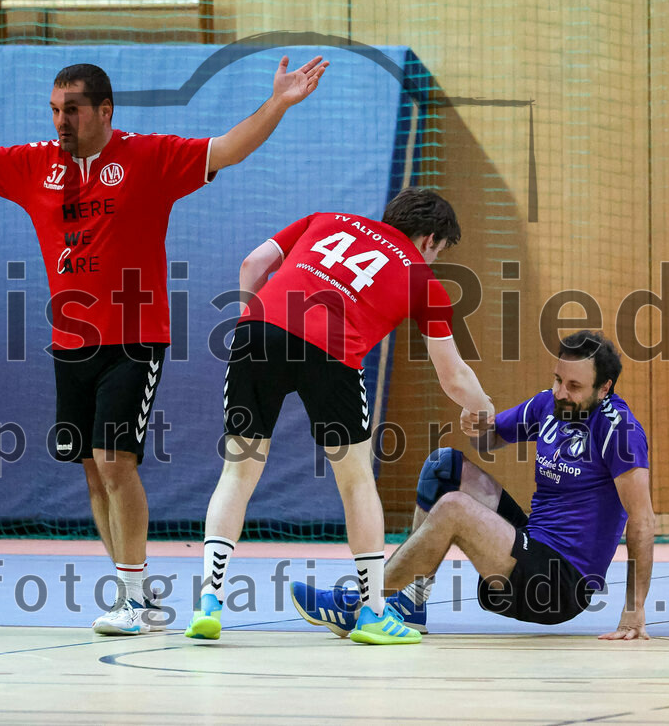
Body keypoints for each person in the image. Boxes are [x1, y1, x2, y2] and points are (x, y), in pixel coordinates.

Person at [0, 55, 329, 636]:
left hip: (136, 337)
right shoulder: (36, 165)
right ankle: (136, 594)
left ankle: (133, 599)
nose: (60, 121)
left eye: (71, 110)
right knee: (93, 471)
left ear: (104, 111)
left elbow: (227, 148)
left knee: (115, 460)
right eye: (54, 110)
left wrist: (277, 103)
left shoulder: (149, 158)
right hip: (70, 341)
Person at [184, 187, 494, 645]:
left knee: (238, 472)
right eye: (439, 251)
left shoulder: (325, 218)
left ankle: (208, 602)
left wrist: (256, 321)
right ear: (429, 239)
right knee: (355, 481)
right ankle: (372, 614)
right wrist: (482, 407)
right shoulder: (421, 277)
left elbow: (252, 264)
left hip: (258, 333)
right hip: (330, 351)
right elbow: (453, 376)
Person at [292, 330, 655, 640]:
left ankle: (361, 603)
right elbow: (490, 439)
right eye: (558, 379)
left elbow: (642, 520)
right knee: (444, 466)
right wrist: (477, 423)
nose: (561, 392)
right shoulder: (549, 405)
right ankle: (409, 603)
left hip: (559, 584)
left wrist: (634, 609)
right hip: (532, 545)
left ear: (604, 388)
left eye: (574, 386)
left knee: (454, 509)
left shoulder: (620, 431)